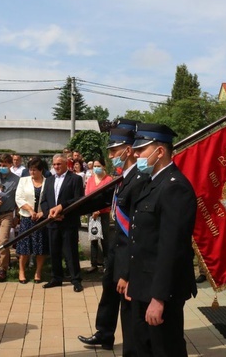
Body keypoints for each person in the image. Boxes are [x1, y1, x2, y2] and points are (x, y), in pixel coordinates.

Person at [78, 121, 148, 353]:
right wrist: (63, 208)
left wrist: (126, 270)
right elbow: (98, 199)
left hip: (128, 251)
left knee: (128, 304)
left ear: (127, 150)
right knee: (109, 291)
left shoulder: (139, 178)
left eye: (113, 150)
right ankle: (105, 333)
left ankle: (132, 345)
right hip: (116, 248)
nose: (110, 156)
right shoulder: (123, 177)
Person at [128, 123, 197, 356]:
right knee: (143, 347)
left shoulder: (175, 188)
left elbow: (171, 249)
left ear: (159, 152)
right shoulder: (151, 183)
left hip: (161, 291)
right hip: (142, 286)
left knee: (165, 349)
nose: (136, 155)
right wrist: (132, 280)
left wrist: (159, 298)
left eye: (142, 150)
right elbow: (142, 241)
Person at [43, 153, 85, 292]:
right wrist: (50, 213)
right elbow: (44, 201)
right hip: (52, 222)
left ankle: (76, 279)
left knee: (70, 252)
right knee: (54, 251)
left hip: (68, 221)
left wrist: (62, 208)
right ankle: (56, 278)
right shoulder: (48, 180)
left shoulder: (75, 179)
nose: (56, 167)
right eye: (54, 164)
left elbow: (79, 199)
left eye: (59, 164)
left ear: (66, 163)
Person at [15, 157, 49, 284]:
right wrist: (30, 210)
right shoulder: (23, 181)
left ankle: (38, 272)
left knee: (40, 247)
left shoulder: (48, 182)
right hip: (27, 218)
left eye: (35, 170)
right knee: (24, 247)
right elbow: (19, 198)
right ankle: (22, 271)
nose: (32, 172)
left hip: (41, 219)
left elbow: (50, 200)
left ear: (41, 170)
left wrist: (42, 213)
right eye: (30, 170)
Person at [0, 154, 20, 282]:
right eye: (0, 165)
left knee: (3, 241)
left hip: (7, 214)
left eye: (5, 165)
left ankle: (3, 269)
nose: (2, 167)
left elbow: (19, 198)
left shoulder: (17, 180)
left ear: (10, 165)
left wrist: (17, 216)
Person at [85, 156, 112, 273]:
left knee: (104, 239)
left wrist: (99, 211)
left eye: (98, 166)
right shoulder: (90, 179)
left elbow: (109, 198)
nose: (96, 168)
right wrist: (92, 211)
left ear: (103, 166)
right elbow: (86, 196)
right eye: (94, 166)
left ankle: (106, 264)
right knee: (93, 238)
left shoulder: (108, 180)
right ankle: (94, 264)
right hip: (92, 214)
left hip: (103, 213)